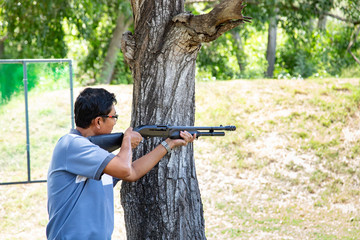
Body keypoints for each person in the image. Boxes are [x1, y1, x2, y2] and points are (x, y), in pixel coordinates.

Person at [46, 87, 195, 239]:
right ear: (98, 121)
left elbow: (132, 172)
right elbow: (124, 169)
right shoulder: (72, 145)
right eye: (113, 117)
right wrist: (127, 142)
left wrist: (168, 144)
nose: (115, 123)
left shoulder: (95, 154)